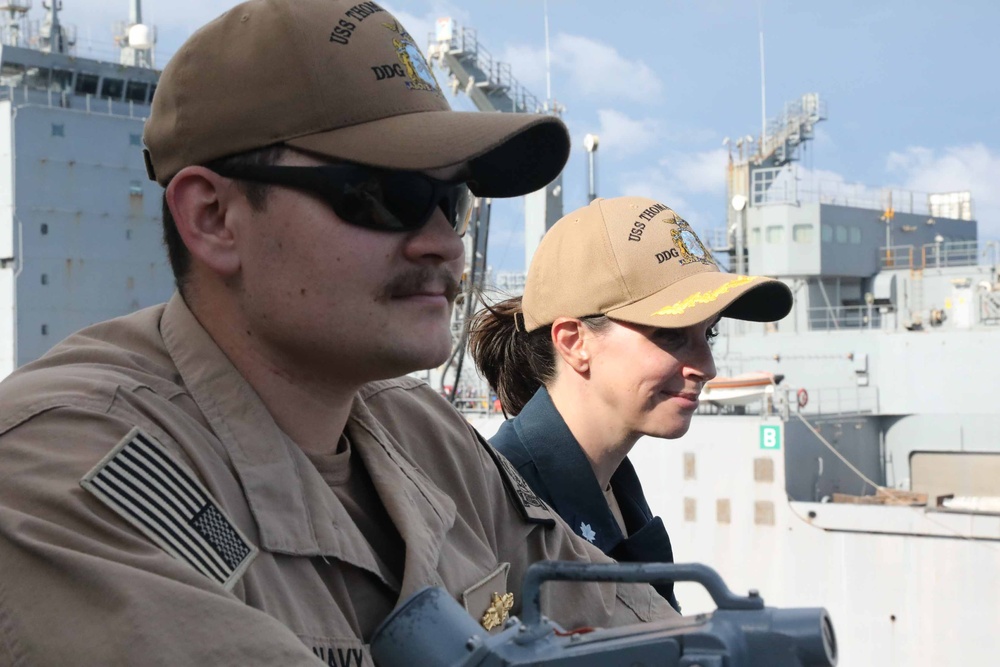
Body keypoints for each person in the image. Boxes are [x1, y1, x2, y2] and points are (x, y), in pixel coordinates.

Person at [0, 2, 678, 664]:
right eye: (385, 195)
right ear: (212, 217)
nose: (444, 241)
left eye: (452, 200)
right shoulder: (62, 471)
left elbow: (652, 631)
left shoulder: (422, 434)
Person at [469, 196, 793, 612]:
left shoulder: (613, 482)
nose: (706, 366)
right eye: (670, 333)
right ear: (574, 343)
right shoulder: (499, 511)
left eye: (708, 335)